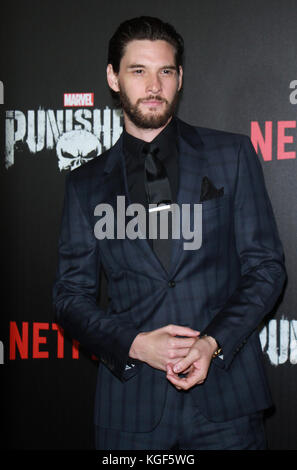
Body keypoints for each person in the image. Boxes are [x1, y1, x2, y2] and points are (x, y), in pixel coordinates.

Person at [53, 16, 286, 450]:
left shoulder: (230, 156)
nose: (154, 85)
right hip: (131, 407)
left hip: (227, 402)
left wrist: (212, 343)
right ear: (113, 77)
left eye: (166, 71)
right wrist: (136, 345)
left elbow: (266, 267)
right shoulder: (85, 185)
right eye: (138, 71)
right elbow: (70, 297)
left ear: (180, 78)